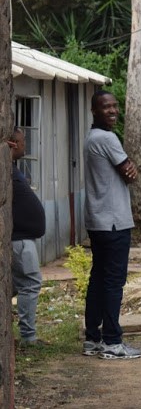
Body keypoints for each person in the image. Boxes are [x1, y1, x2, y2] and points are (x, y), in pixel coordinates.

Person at [82, 90, 141, 360]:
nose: (113, 111)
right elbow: (129, 173)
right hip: (114, 222)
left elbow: (128, 169)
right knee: (113, 282)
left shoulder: (90, 138)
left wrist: (130, 167)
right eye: (106, 107)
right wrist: (131, 167)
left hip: (97, 220)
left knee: (98, 278)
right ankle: (112, 342)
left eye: (115, 106)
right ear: (95, 110)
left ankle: (92, 338)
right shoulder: (107, 138)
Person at [9, 127, 46, 347]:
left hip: (23, 238)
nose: (25, 145)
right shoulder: (6, 169)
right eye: (22, 141)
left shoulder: (12, 168)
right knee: (31, 283)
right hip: (19, 240)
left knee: (13, 285)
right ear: (13, 143)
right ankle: (28, 337)